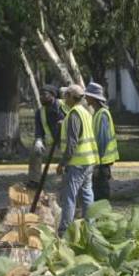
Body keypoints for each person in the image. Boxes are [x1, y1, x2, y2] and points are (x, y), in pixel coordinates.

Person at [57, 84, 97, 234]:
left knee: (69, 197)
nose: (63, 98)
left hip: (77, 163)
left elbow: (72, 143)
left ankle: (65, 230)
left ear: (71, 97)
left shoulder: (74, 114)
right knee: (87, 194)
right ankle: (90, 227)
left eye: (66, 95)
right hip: (89, 161)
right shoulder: (85, 112)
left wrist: (62, 163)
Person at [86, 82, 118, 201]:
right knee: (97, 189)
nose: (85, 98)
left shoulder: (102, 114)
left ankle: (103, 215)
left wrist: (97, 164)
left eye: (87, 95)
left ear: (94, 98)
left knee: (101, 191)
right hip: (100, 160)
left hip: (103, 160)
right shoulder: (97, 113)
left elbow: (103, 140)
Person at [29, 85, 66, 186]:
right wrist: (38, 140)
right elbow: (39, 131)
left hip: (67, 143)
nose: (41, 97)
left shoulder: (64, 106)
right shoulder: (40, 112)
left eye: (44, 95)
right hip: (52, 144)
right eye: (40, 95)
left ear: (53, 95)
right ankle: (34, 180)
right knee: (35, 150)